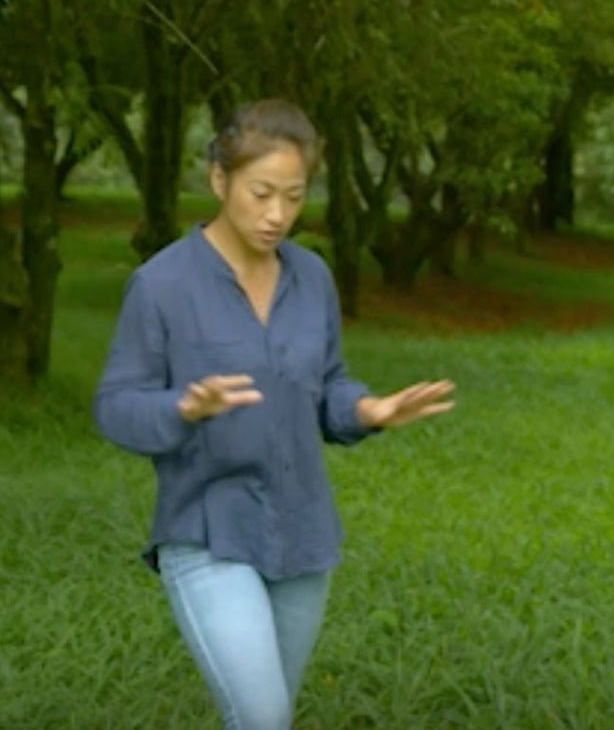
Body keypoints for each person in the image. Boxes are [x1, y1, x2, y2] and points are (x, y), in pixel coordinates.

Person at [94, 99, 455, 730]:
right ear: (218, 180)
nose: (277, 215)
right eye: (261, 193)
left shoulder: (310, 279)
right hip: (208, 532)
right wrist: (181, 406)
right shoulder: (161, 287)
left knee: (268, 718)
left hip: (302, 533)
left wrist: (369, 408)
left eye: (293, 196)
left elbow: (327, 388)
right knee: (262, 716)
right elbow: (116, 407)